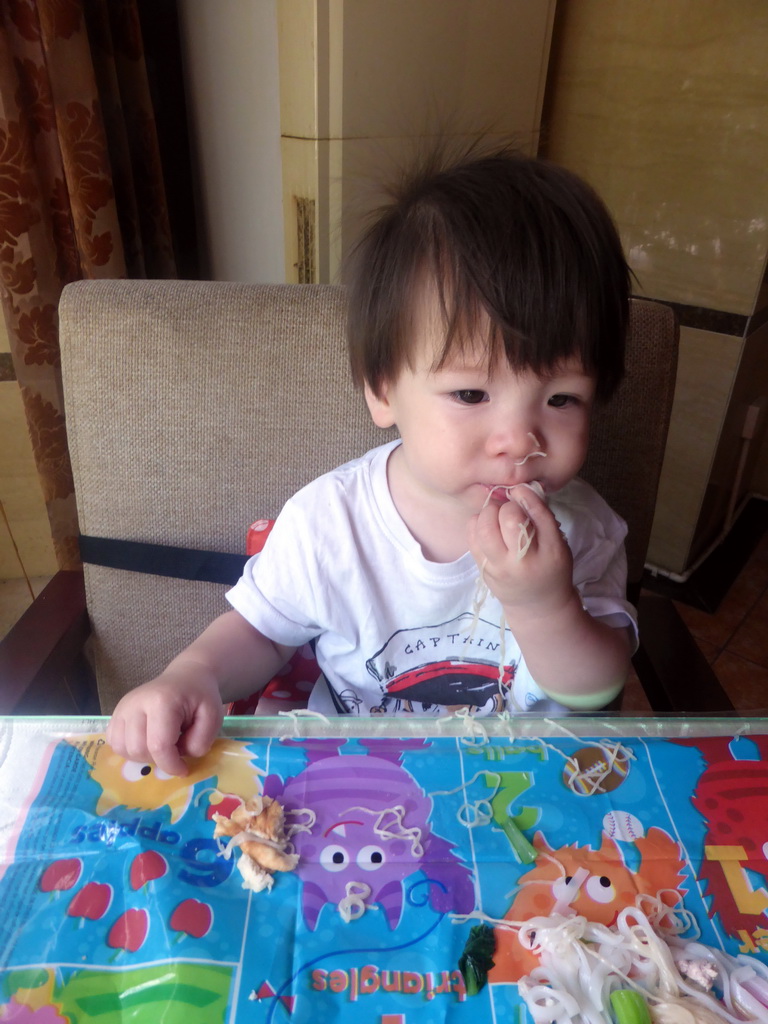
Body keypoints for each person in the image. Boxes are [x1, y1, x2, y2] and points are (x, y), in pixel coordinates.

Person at [107, 145, 636, 776]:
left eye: (561, 398)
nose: (520, 441)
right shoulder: (331, 521)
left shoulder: (583, 529)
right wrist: (193, 674)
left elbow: (597, 692)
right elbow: (264, 630)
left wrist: (545, 606)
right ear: (383, 389)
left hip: (527, 782)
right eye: (471, 393)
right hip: (356, 775)